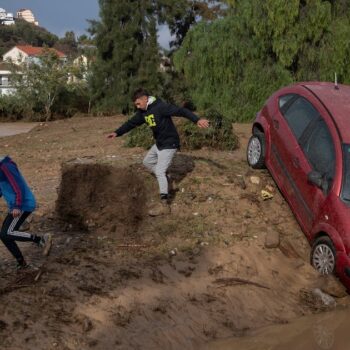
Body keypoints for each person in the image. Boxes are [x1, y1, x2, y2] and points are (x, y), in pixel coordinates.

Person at [107, 88, 209, 216]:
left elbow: (181, 111)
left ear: (145, 99)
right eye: (136, 105)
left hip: (170, 143)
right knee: (147, 162)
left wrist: (197, 120)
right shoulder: (142, 112)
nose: (137, 106)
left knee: (160, 171)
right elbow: (131, 123)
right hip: (159, 143)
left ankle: (164, 204)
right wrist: (117, 132)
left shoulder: (161, 107)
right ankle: (167, 181)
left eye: (138, 103)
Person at [0, 156, 52, 269]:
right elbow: (1, 188)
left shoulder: (6, 166)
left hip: (23, 204)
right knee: (4, 236)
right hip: (16, 205)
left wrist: (17, 206)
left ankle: (40, 240)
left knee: (7, 232)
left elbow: (18, 187)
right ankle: (21, 263)